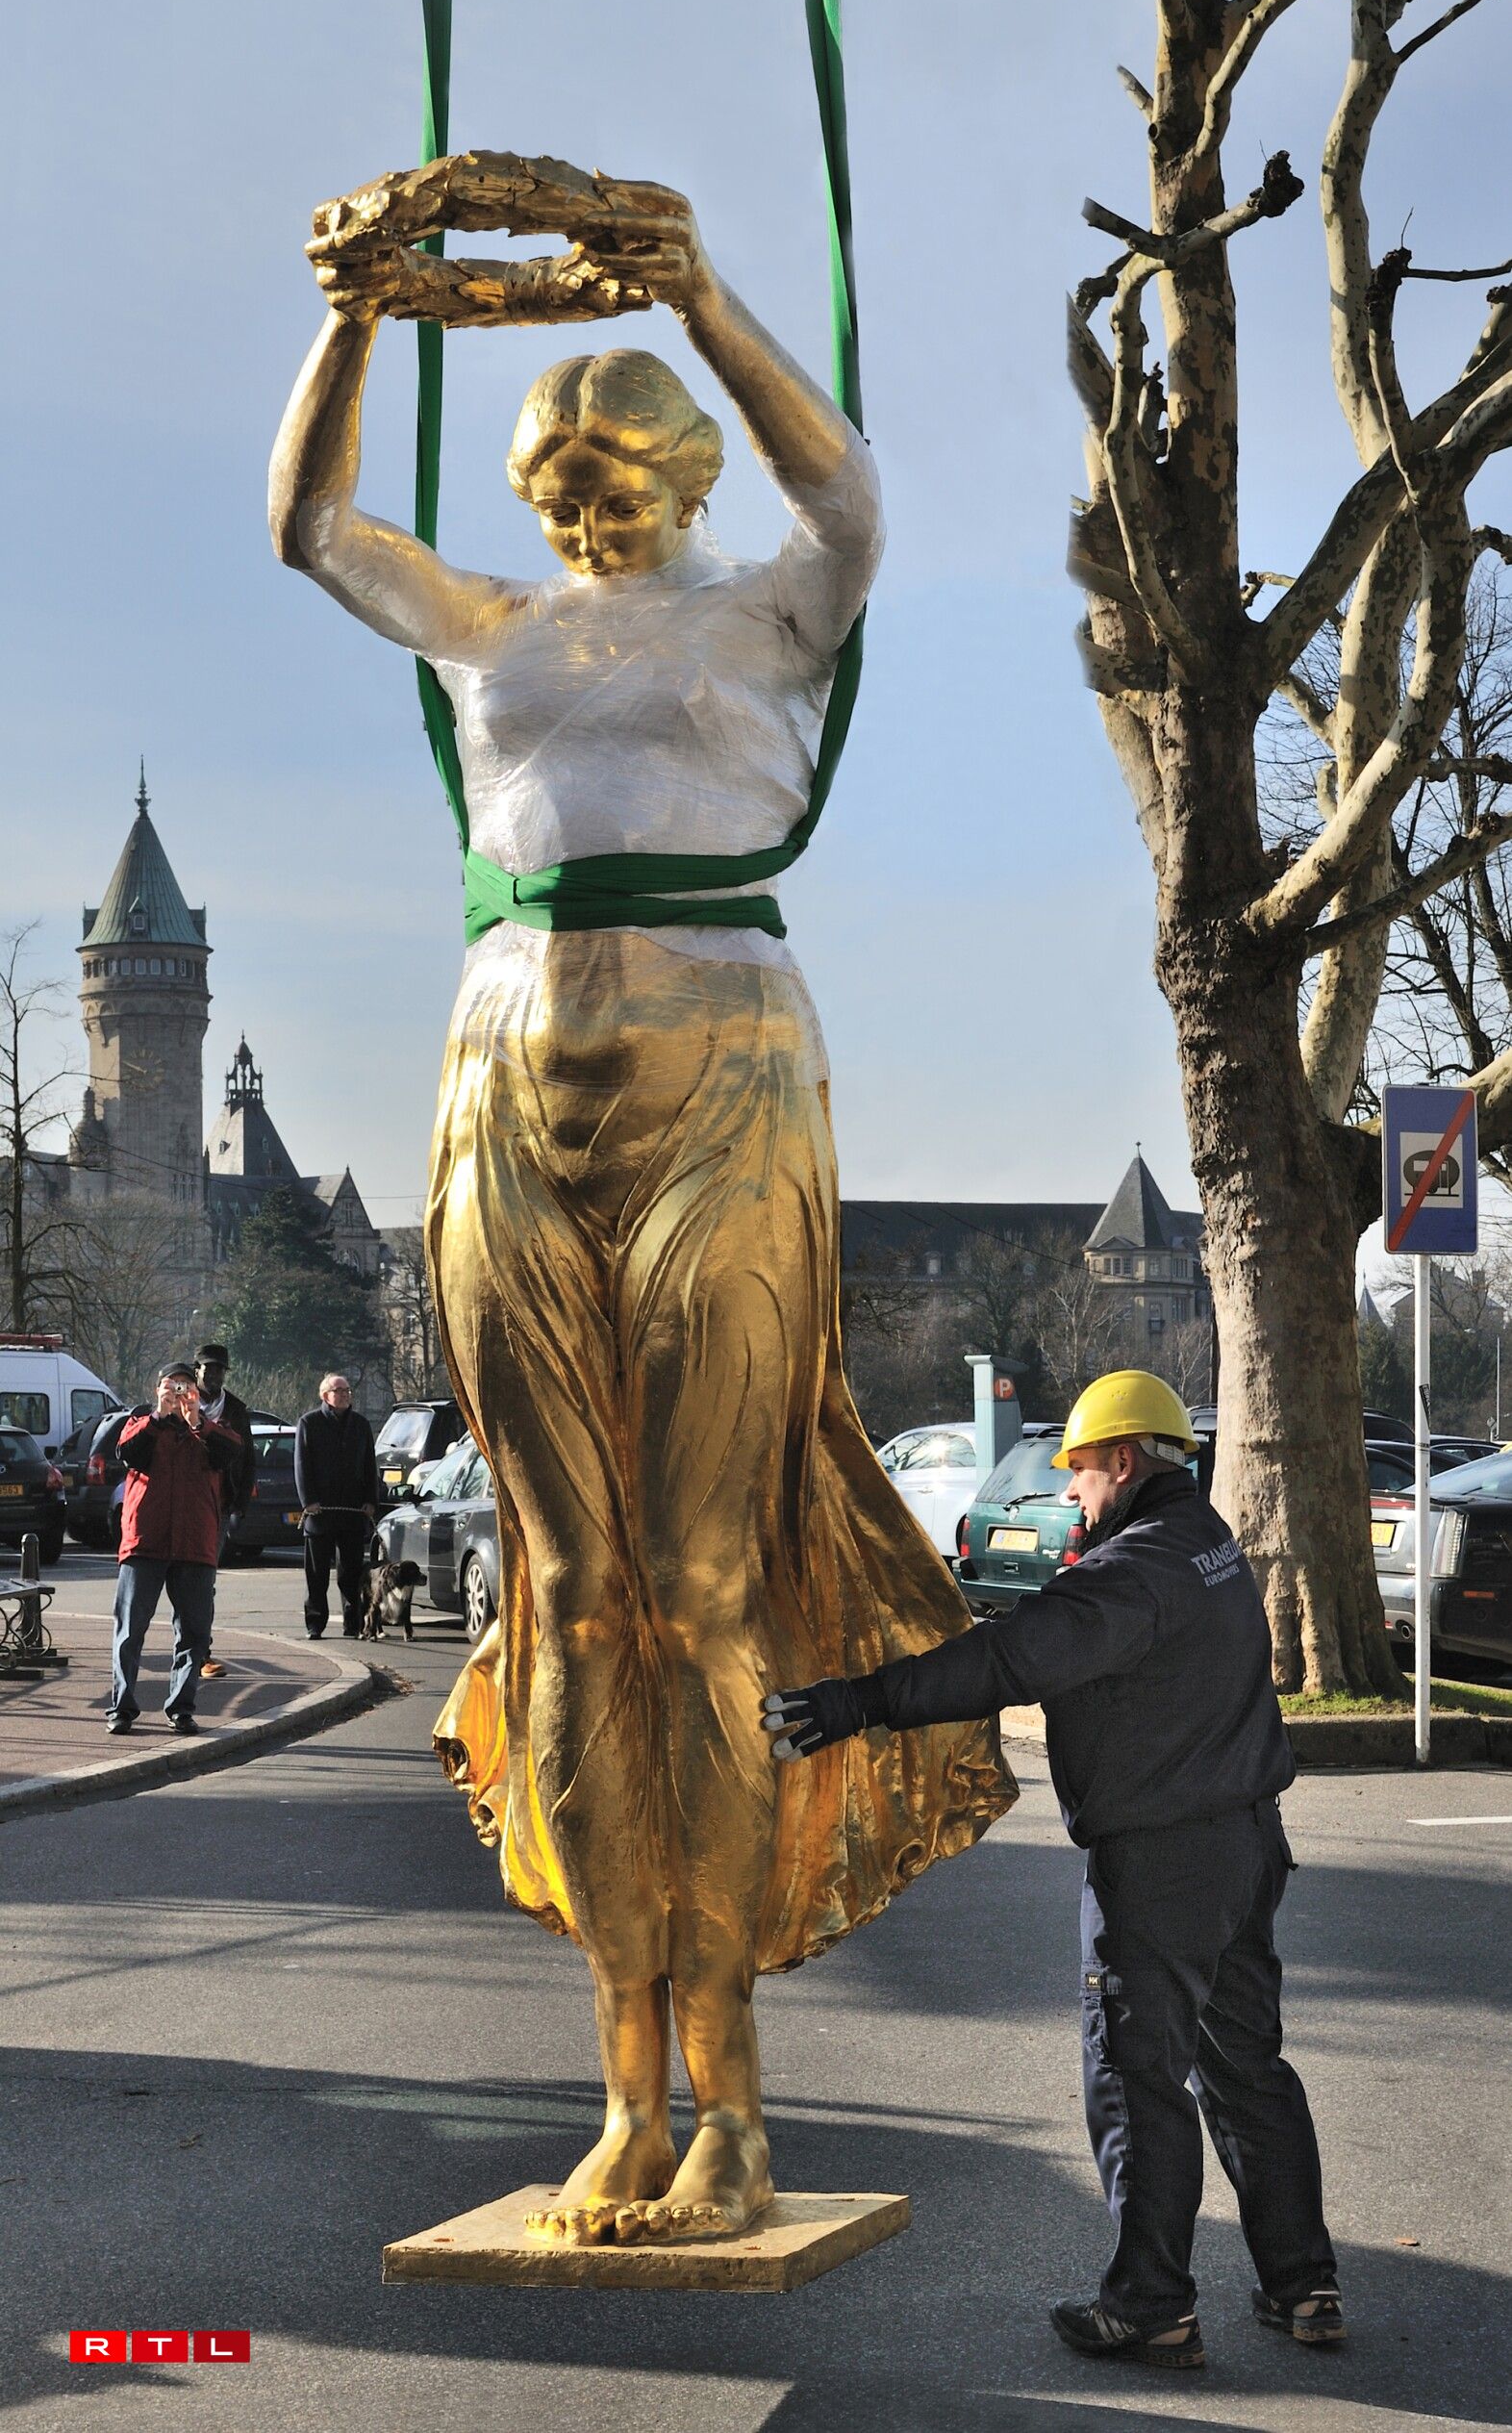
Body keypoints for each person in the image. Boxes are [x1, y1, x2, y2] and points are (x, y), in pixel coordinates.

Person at [268, 161, 1012, 2245]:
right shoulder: (489, 628)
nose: (582, 495)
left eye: (618, 460)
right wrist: (353, 315)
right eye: (551, 465)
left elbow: (853, 500)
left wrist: (704, 301)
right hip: (505, 1061)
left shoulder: (766, 615)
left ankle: (739, 2107)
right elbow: (314, 531)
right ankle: (621, 2083)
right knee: (573, 1585)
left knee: (696, 1583)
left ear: (682, 470)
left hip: (723, 1070)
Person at [764, 1369, 1342, 2370]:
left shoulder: (1133, 1573)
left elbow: (1010, 1661)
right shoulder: (1206, 1544)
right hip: (1247, 1845)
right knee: (1247, 2069)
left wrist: (859, 1701)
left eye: (1077, 1472)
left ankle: (1150, 2303)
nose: (1069, 1493)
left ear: (1122, 1461)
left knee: (1134, 2076)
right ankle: (1306, 2285)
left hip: (1160, 1864)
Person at [109, 1364, 244, 1736]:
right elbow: (127, 1452)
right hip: (145, 1541)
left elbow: (231, 1453)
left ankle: (182, 1708)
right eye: (172, 1386)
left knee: (194, 1633)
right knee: (130, 1629)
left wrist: (196, 1419)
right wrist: (159, 1416)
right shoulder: (140, 1421)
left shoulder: (210, 1429)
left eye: (186, 1387)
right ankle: (121, 1707)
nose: (179, 1393)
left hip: (195, 1544)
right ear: (157, 1390)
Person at [294, 1374, 377, 1639]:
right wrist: (309, 1501)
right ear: (325, 1395)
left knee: (351, 1573)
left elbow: (369, 1466)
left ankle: (353, 1624)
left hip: (352, 1512)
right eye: (338, 1390)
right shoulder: (309, 1423)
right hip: (321, 1512)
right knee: (316, 1575)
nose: (344, 1394)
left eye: (347, 1390)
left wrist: (370, 1501)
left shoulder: (361, 1425)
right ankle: (315, 1624)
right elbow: (302, 1466)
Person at [193, 1341, 253, 1681]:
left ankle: (202, 1652)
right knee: (181, 1582)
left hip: (218, 1505)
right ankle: (186, 1649)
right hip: (185, 1503)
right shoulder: (181, 1404)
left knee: (205, 1582)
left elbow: (248, 1459)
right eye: (208, 1368)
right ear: (197, 1370)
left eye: (219, 1369)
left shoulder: (236, 1409)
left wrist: (240, 1503)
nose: (214, 1375)